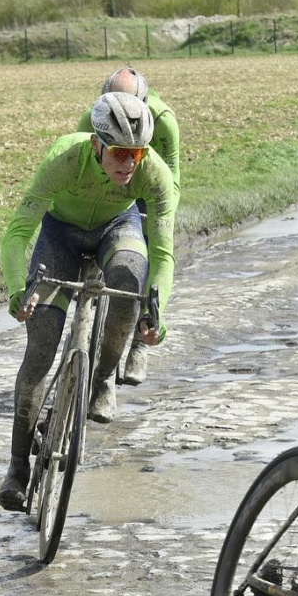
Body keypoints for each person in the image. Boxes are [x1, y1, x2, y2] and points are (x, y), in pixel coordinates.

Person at [0, 91, 176, 511]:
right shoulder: (63, 157)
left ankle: (101, 380)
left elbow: (164, 252)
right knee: (41, 349)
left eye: (137, 153)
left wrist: (158, 312)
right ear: (96, 143)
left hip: (118, 227)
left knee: (131, 282)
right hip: (60, 235)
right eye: (119, 152)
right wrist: (15, 291)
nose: (129, 163)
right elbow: (17, 232)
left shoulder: (155, 173)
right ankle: (18, 467)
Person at [77, 67, 180, 388]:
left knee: (145, 252)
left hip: (147, 185)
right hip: (110, 186)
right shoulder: (91, 121)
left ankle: (138, 339)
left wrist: (160, 220)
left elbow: (170, 183)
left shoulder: (163, 121)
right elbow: (82, 169)